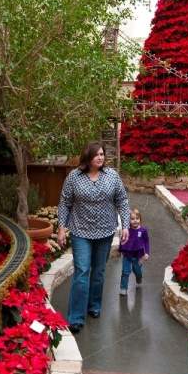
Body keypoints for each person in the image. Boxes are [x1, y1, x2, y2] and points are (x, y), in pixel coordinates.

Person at [57, 142, 129, 333]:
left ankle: (94, 306)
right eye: (96, 154)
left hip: (105, 232)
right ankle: (76, 318)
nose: (100, 157)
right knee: (82, 272)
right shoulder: (74, 177)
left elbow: (122, 201)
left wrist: (126, 226)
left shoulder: (112, 176)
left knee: (98, 272)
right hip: (80, 232)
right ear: (88, 157)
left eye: (102, 154)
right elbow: (65, 202)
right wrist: (62, 228)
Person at [118, 208, 150, 295]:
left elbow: (146, 242)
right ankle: (123, 288)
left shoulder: (143, 230)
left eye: (137, 218)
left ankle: (139, 278)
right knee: (125, 272)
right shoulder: (126, 230)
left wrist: (146, 252)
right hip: (127, 255)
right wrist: (120, 249)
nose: (135, 221)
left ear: (140, 219)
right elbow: (122, 240)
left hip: (138, 256)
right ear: (128, 220)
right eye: (132, 219)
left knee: (138, 272)